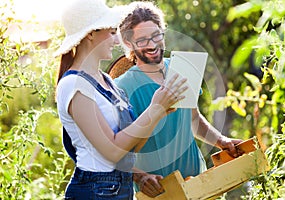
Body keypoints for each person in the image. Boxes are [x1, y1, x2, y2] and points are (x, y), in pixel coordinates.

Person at [54, 0, 188, 199]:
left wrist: (160, 112)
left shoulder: (107, 81)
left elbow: (130, 148)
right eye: (110, 32)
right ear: (90, 34)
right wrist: (155, 109)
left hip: (120, 189)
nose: (116, 40)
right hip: (95, 191)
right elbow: (112, 151)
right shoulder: (74, 85)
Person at [115, 1, 243, 197]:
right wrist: (138, 176)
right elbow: (118, 149)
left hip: (195, 180)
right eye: (142, 40)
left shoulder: (184, 67)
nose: (152, 45)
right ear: (128, 43)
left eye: (156, 35)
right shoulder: (122, 87)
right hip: (156, 190)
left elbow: (192, 119)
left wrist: (221, 141)